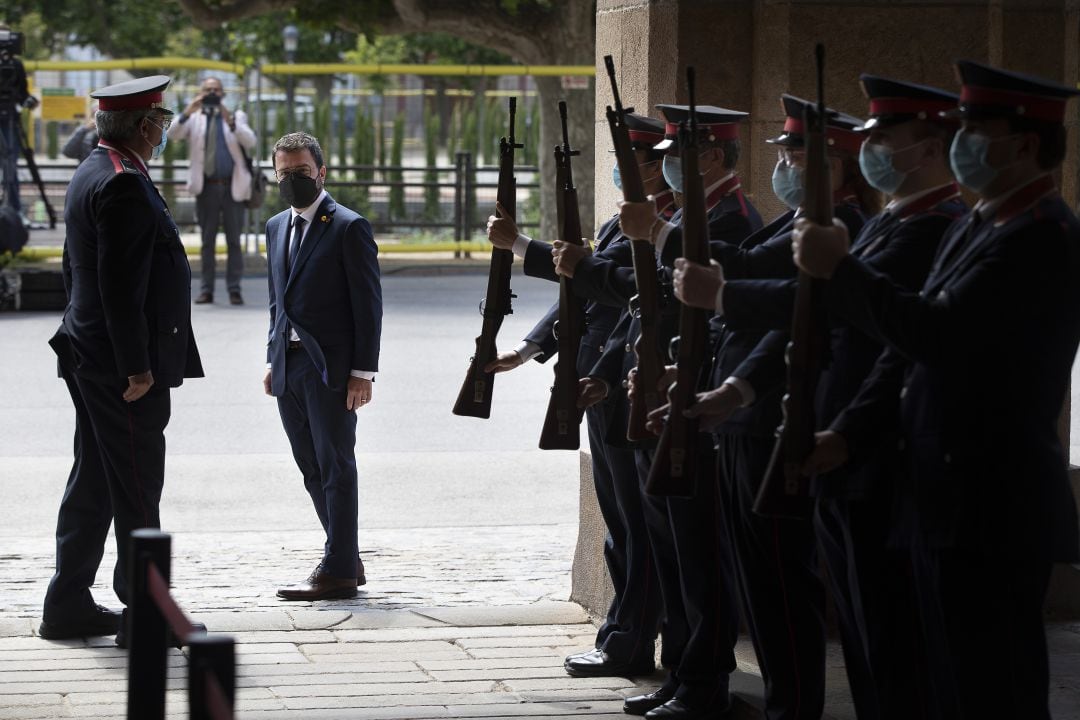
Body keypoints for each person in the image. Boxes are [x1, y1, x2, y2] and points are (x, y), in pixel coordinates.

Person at [793, 60, 1080, 719]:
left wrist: (843, 271)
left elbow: (939, 335)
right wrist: (847, 432)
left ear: (1026, 143)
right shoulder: (980, 225)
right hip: (939, 495)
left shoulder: (1042, 238)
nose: (962, 142)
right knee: (945, 677)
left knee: (993, 685)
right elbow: (904, 356)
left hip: (992, 501)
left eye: (977, 129)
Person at [674, 78, 966, 719]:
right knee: (864, 634)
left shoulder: (929, 227)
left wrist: (722, 294)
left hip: (879, 453)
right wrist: (736, 386)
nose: (874, 149)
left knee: (890, 637)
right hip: (835, 443)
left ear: (932, 145)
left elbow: (872, 326)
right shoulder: (888, 223)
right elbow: (806, 313)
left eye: (883, 139)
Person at [484, 113, 674, 684]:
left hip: (621, 385)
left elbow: (621, 295)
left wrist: (520, 244)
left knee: (637, 527)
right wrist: (527, 349)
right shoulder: (630, 221)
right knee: (620, 522)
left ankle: (629, 640)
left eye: (632, 161)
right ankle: (625, 634)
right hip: (597, 382)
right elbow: (583, 291)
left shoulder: (662, 222)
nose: (622, 171)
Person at [39, 75, 204, 647]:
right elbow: (119, 286)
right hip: (120, 366)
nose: (163, 131)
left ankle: (67, 603)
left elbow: (75, 271)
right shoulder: (123, 183)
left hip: (89, 350)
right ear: (142, 126)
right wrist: (137, 367)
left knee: (96, 481)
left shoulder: (96, 168)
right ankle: (146, 613)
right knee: (136, 486)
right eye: (159, 121)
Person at [266, 131, 382, 601]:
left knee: (336, 465)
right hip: (288, 367)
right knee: (309, 465)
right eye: (285, 174)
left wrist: (362, 372)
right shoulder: (276, 226)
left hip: (331, 370)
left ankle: (337, 569)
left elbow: (368, 306)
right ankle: (345, 557)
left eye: (302, 172)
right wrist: (272, 358)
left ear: (322, 172)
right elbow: (278, 301)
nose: (294, 181)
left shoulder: (348, 226)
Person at [167, 76, 256, 305]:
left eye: (216, 90)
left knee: (234, 241)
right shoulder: (194, 118)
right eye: (208, 90)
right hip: (206, 187)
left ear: (223, 94)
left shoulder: (235, 116)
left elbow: (250, 141)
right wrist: (189, 109)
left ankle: (234, 289)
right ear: (201, 92)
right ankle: (206, 290)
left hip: (231, 187)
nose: (212, 94)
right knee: (207, 241)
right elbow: (172, 134)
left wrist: (228, 117)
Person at [0, 24, 37, 215]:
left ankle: (13, 210)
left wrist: (28, 100)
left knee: (10, 164)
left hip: (9, 119)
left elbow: (22, 93)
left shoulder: (15, 65)